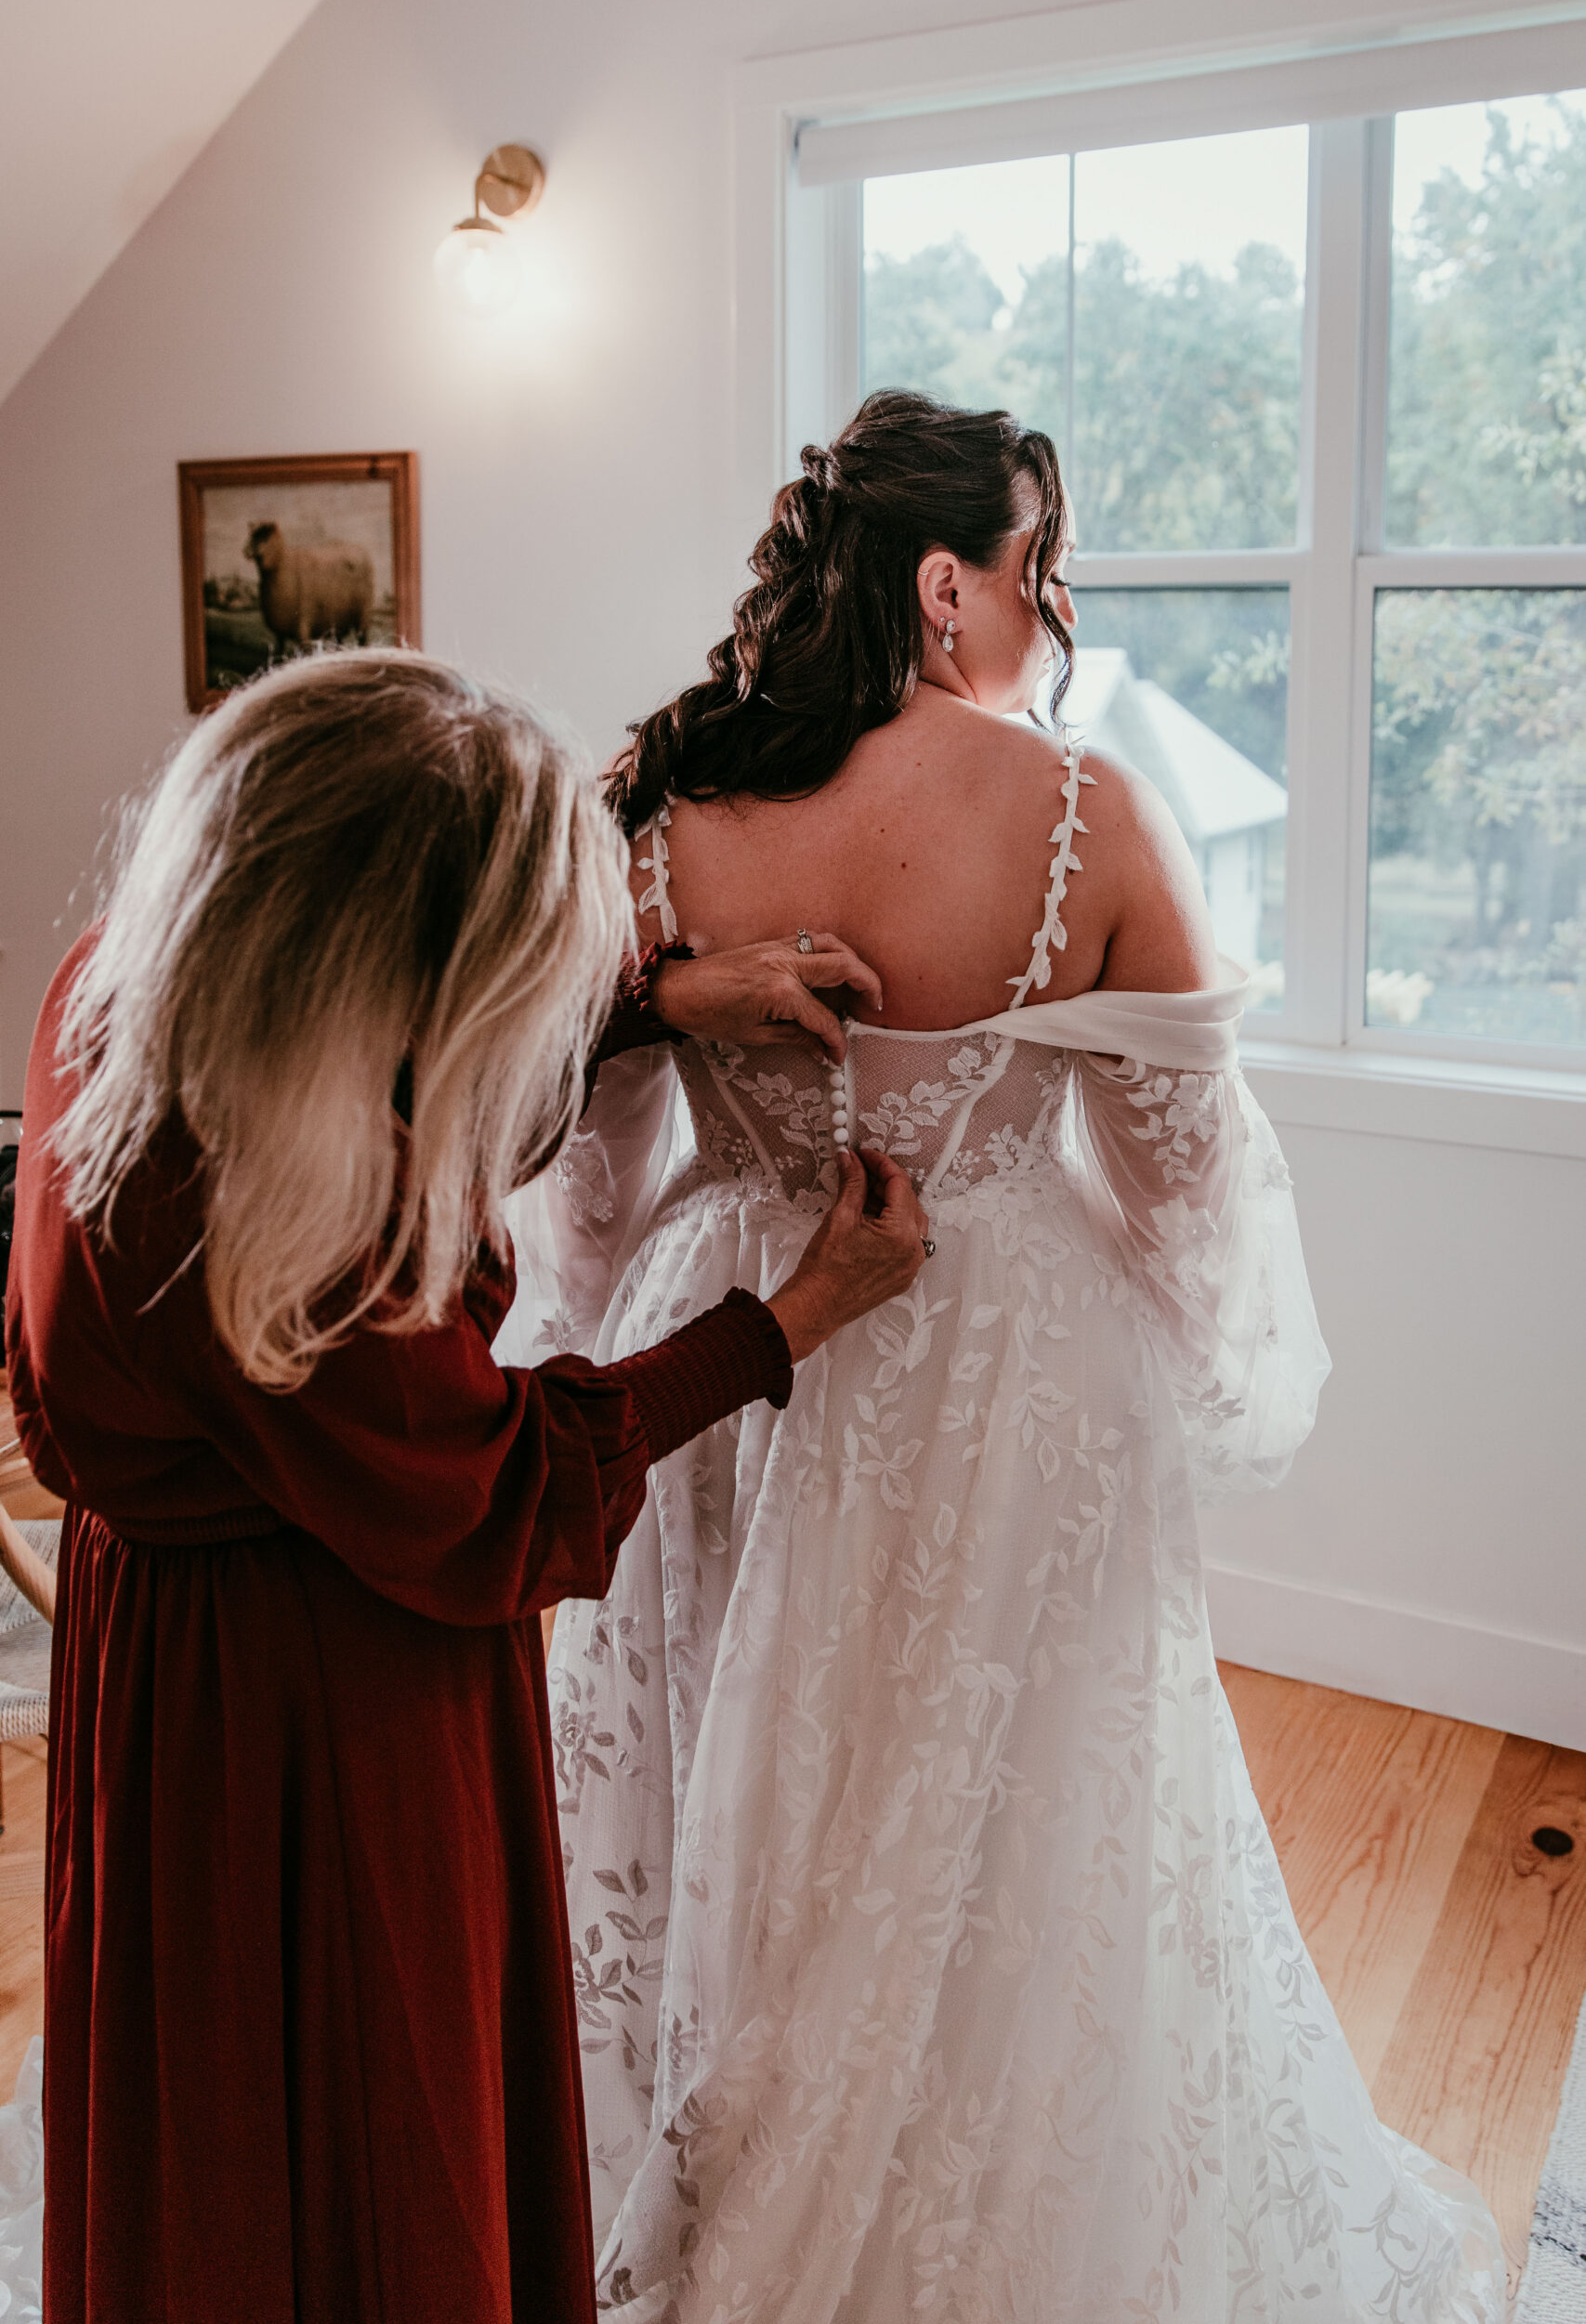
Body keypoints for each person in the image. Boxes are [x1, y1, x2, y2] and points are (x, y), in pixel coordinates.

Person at [504, 394, 1506, 2321]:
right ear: (941, 578)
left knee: (740, 1758)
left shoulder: (656, 783)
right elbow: (1182, 1170)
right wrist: (1197, 1342)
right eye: (1040, 570)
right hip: (991, 1364)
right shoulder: (1080, 813)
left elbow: (593, 1171)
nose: (1055, 622)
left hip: (729, 1345)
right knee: (990, 1814)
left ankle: (682, 2167)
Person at [4, 648, 928, 2324]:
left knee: (202, 2106)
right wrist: (786, 1319)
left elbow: (383, 1077)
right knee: (378, 2122)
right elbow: (506, 1490)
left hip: (156, 1668)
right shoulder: (307, 1234)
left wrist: (649, 1003)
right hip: (324, 1698)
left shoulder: (113, 1004)